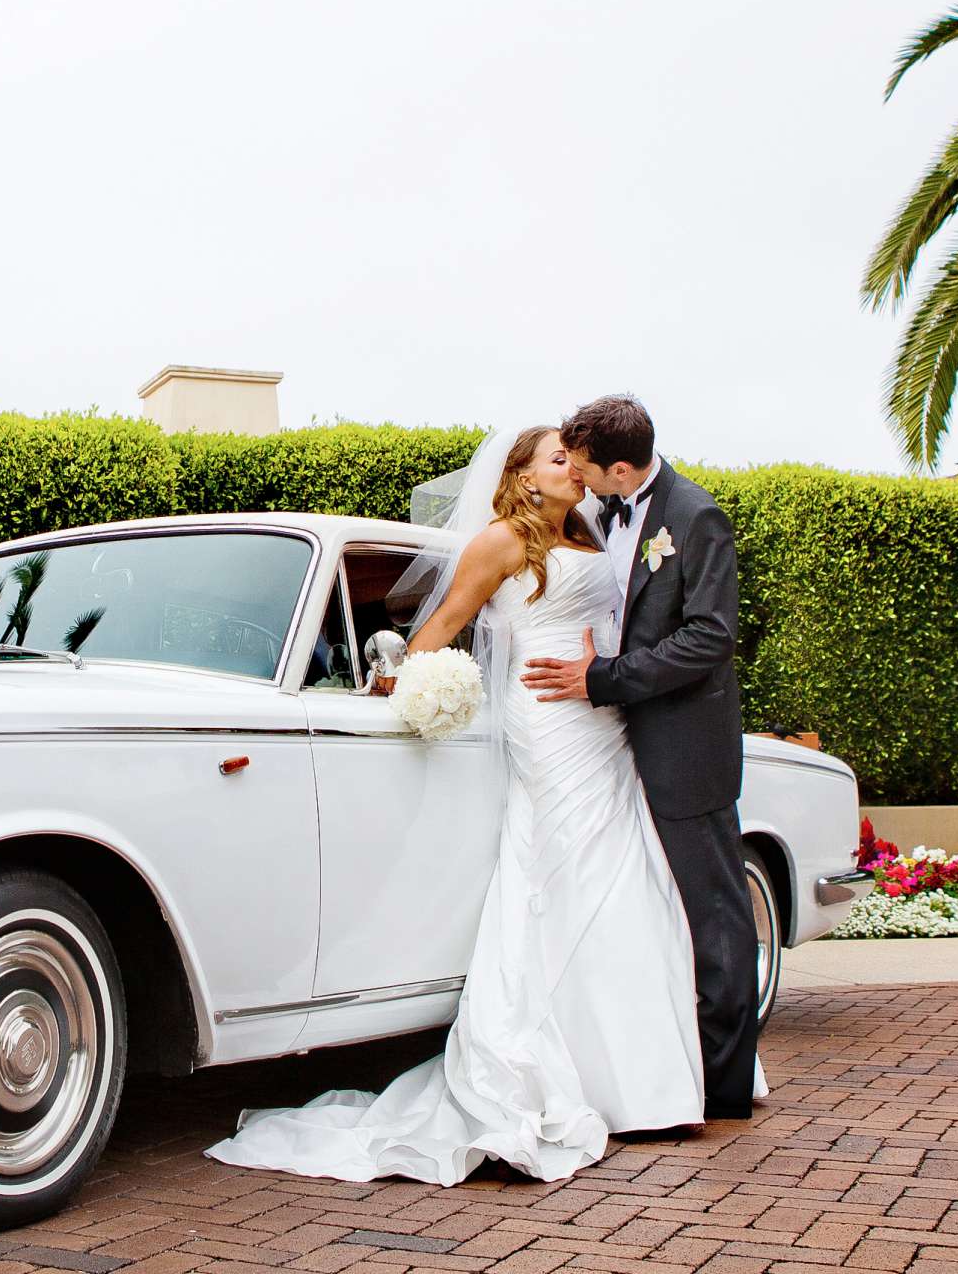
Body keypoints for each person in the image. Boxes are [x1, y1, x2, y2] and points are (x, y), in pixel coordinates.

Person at [206, 425, 703, 1185]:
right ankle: (576, 1074)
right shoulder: (502, 541)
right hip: (544, 721)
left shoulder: (597, 528)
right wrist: (412, 688)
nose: (574, 467)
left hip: (605, 723)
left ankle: (646, 1082)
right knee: (563, 874)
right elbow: (438, 628)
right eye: (557, 457)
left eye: (577, 455)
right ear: (523, 476)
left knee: (624, 873)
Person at [521, 395, 759, 1121]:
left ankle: (724, 1086)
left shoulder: (695, 517)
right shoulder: (599, 516)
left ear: (620, 467)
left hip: (684, 747)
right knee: (647, 910)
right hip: (609, 749)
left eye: (586, 467)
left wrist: (603, 679)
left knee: (713, 916)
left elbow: (709, 637)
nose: (579, 479)